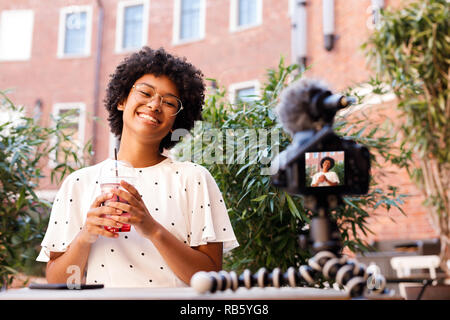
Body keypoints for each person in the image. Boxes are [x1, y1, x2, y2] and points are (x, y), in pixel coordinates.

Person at [36, 47, 239, 288]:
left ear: (176, 123)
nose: (154, 105)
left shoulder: (193, 178)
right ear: (122, 100)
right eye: (145, 92)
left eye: (170, 102)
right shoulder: (78, 184)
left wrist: (151, 228)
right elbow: (58, 282)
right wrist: (85, 237)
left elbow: (210, 277)